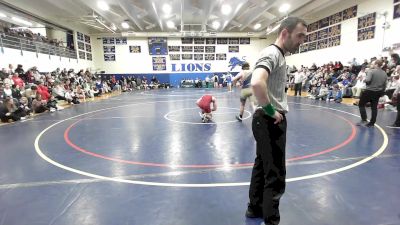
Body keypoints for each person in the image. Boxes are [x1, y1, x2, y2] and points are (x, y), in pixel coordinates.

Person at [246, 17, 307, 225]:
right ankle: (271, 220)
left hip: (262, 121)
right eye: (299, 36)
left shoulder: (278, 55)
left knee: (262, 166)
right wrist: (271, 110)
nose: (301, 41)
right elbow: (256, 82)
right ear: (284, 33)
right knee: (275, 173)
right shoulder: (272, 53)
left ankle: (254, 209)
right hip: (269, 121)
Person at [357, 60, 387, 127]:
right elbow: (385, 84)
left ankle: (364, 119)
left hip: (369, 91)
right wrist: (382, 92)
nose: (371, 65)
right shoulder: (384, 73)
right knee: (374, 108)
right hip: (378, 92)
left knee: (361, 104)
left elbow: (368, 80)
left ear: (376, 64)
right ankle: (372, 123)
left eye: (373, 64)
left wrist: (364, 79)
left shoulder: (371, 71)